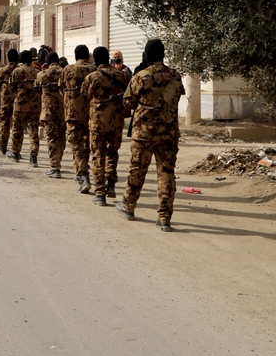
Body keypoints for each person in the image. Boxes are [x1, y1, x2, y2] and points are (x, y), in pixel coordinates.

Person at [118, 39, 186, 231]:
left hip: (144, 134)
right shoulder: (175, 76)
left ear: (147, 54)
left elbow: (127, 103)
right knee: (166, 173)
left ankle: (128, 207)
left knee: (137, 170)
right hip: (169, 133)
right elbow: (177, 96)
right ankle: (164, 218)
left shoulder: (141, 76)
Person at [82, 46, 128, 205]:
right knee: (112, 152)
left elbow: (85, 96)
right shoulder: (122, 76)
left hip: (97, 122)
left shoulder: (91, 77)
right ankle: (111, 184)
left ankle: (100, 193)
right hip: (116, 121)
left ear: (94, 59)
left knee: (97, 155)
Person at [61, 45, 95, 194]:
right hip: (91, 113)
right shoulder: (95, 70)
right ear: (88, 56)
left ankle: (82, 175)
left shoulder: (68, 70)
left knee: (77, 144)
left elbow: (61, 89)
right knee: (90, 143)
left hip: (73, 113)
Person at [7, 49, 40, 164]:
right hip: (34, 105)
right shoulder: (37, 72)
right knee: (33, 130)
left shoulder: (17, 71)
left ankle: (16, 153)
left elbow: (11, 87)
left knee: (17, 128)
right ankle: (33, 157)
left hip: (20, 104)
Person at [36, 52, 66, 178]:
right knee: (61, 136)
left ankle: (55, 167)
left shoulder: (43, 74)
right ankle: (58, 160)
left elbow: (36, 88)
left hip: (49, 112)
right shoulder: (65, 72)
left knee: (52, 138)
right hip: (64, 110)